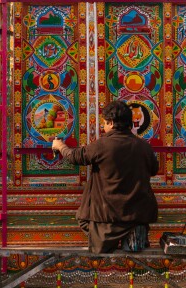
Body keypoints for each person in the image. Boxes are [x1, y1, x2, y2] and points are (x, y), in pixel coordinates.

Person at [51, 100, 159, 254]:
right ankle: (134, 238)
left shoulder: (102, 145)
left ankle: (105, 240)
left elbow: (76, 157)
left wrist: (60, 146)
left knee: (84, 218)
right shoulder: (144, 147)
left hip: (107, 217)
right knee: (134, 231)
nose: (103, 127)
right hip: (137, 216)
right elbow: (154, 169)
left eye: (104, 123)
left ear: (111, 122)